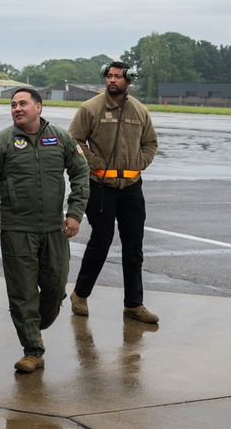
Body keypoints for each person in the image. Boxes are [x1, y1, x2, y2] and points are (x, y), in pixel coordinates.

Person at [0, 87, 89, 373]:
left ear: (39, 107)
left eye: (23, 103)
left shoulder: (61, 138)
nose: (17, 108)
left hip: (54, 229)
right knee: (22, 293)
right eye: (13, 105)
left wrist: (75, 213)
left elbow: (80, 172)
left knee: (54, 286)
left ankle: (36, 324)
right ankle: (32, 350)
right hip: (17, 231)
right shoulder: (1, 142)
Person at [68, 61, 160, 323]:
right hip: (100, 187)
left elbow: (151, 142)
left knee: (134, 247)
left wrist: (140, 162)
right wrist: (93, 162)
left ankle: (134, 304)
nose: (112, 81)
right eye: (109, 76)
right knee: (101, 241)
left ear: (128, 81)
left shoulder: (140, 111)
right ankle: (80, 294)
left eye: (118, 77)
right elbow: (74, 139)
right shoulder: (90, 108)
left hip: (132, 189)